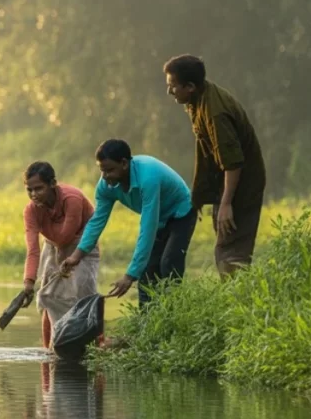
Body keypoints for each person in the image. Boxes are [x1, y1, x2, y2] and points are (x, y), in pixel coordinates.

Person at [60, 140, 196, 308]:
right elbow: (96, 222)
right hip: (159, 219)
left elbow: (148, 227)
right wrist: (76, 256)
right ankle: (147, 319)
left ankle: (176, 312)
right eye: (102, 170)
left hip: (181, 213)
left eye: (110, 170)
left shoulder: (148, 177)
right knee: (147, 271)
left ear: (124, 163)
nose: (105, 176)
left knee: (169, 262)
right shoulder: (105, 187)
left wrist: (130, 275)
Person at [164, 54, 267, 276]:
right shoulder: (198, 99)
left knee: (231, 250)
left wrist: (227, 203)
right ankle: (235, 293)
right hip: (226, 182)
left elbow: (233, 162)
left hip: (241, 184)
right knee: (225, 243)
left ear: (190, 87)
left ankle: (238, 296)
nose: (169, 91)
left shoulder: (216, 113)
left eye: (173, 86)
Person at [22, 162, 100, 349]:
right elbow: (33, 249)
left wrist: (67, 263)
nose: (34, 195)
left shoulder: (71, 198)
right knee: (48, 296)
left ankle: (97, 343)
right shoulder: (31, 210)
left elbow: (66, 236)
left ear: (52, 184)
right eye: (29, 190)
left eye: (39, 188)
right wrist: (29, 282)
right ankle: (49, 348)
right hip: (52, 244)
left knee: (84, 294)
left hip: (82, 243)